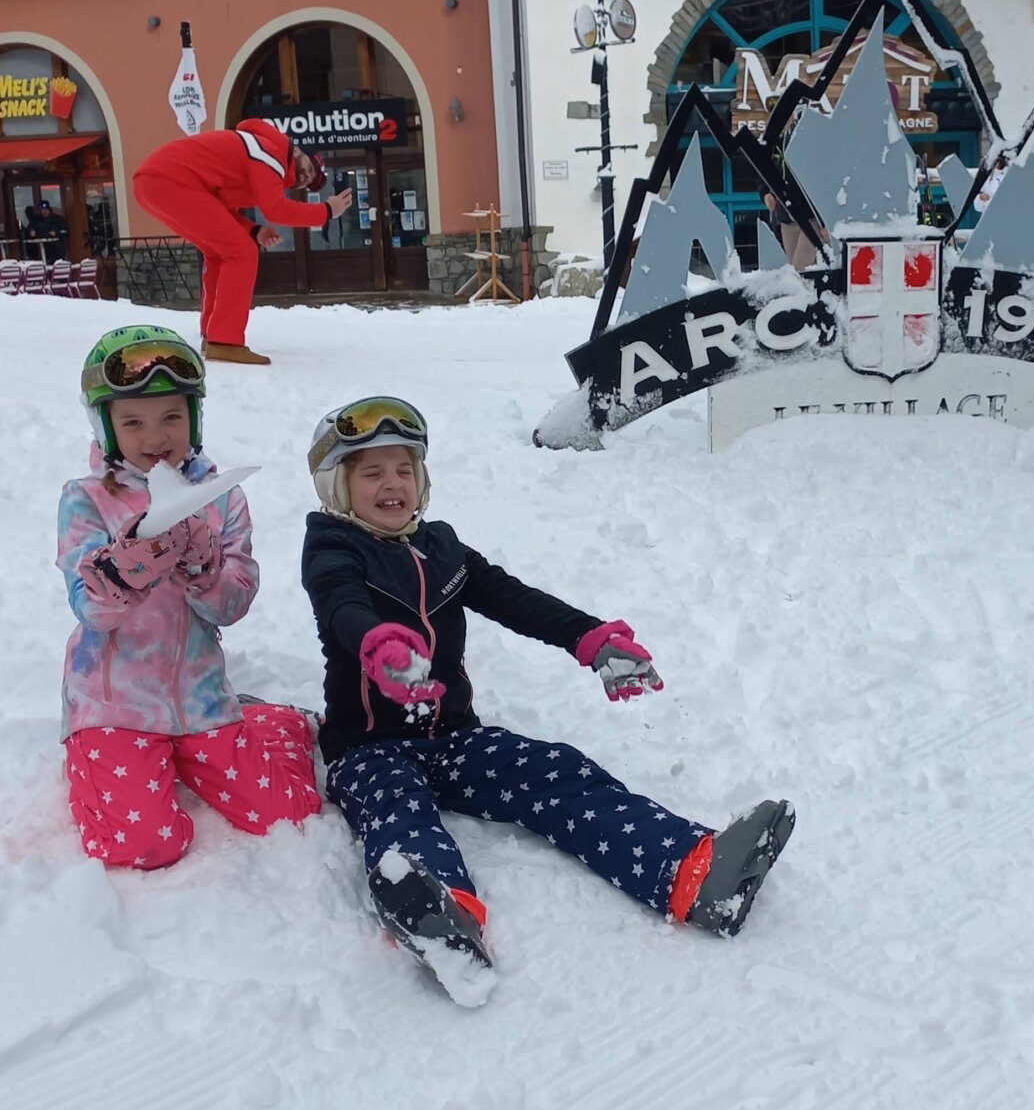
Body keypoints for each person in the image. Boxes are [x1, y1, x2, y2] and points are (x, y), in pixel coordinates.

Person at [299, 396, 796, 1004]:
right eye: (371, 471)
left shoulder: (441, 548)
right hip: (370, 750)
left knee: (558, 772)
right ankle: (440, 915)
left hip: (455, 737)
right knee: (399, 813)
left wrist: (589, 638)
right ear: (338, 486)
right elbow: (339, 602)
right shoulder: (332, 549)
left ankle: (693, 873)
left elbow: (512, 598)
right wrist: (377, 642)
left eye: (404, 468)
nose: (392, 483)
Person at [58, 323, 319, 870]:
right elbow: (90, 609)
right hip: (115, 706)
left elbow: (231, 606)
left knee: (290, 813)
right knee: (146, 845)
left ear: (194, 418)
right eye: (133, 421)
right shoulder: (85, 501)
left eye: (172, 416)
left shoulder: (220, 500)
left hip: (199, 699)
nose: (156, 436)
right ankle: (100, 763)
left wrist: (203, 565)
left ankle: (270, 718)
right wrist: (130, 563)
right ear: (106, 427)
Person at [129, 120, 332, 367]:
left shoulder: (254, 160)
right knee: (241, 253)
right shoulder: (272, 152)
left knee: (219, 252)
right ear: (299, 152)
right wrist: (327, 211)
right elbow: (276, 209)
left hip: (154, 182)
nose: (306, 177)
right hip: (172, 179)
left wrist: (254, 230)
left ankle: (211, 333)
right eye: (310, 169)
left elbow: (221, 211)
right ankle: (225, 341)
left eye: (309, 180)